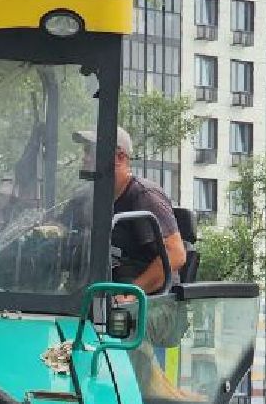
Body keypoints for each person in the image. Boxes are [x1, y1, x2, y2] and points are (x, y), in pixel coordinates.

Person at [75, 125, 189, 293]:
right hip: (102, 293)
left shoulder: (144, 195)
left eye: (90, 152)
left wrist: (131, 293)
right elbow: (58, 228)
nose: (85, 158)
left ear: (120, 157)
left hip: (148, 301)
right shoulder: (87, 197)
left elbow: (176, 254)